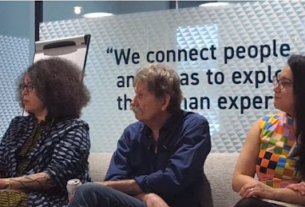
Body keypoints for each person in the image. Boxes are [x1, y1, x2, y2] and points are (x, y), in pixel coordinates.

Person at [69, 63, 211, 207]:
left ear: (164, 101)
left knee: (88, 191)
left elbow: (174, 178)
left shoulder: (194, 126)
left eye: (141, 95)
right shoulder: (131, 133)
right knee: (89, 191)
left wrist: (134, 186)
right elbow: (114, 180)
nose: (133, 102)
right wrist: (146, 196)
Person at [0, 57, 91, 207]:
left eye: (30, 86)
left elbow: (54, 177)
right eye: (23, 85)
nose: (24, 91)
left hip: (53, 200)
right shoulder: (18, 124)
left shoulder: (74, 128)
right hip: (11, 194)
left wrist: (6, 183)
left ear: (51, 89)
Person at [232, 54, 305, 207]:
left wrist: (271, 192)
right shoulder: (264, 125)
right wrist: (265, 191)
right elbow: (239, 178)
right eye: (277, 80)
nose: (276, 88)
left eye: (285, 83)